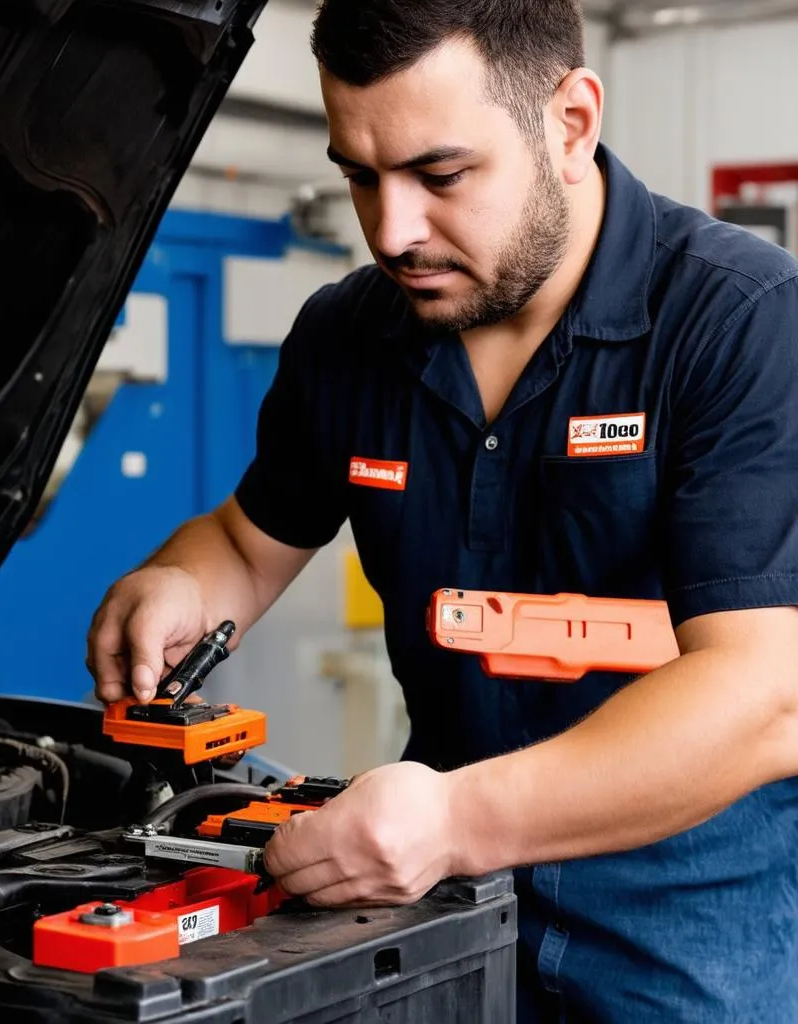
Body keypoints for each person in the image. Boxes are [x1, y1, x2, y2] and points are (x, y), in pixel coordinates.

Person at [86, 1, 798, 1019]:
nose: (391, 230)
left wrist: (459, 817)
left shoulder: (740, 320)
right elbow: (249, 539)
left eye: (439, 174)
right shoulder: (345, 336)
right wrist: (180, 578)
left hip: (686, 957)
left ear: (570, 122)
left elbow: (767, 694)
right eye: (359, 174)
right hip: (429, 926)